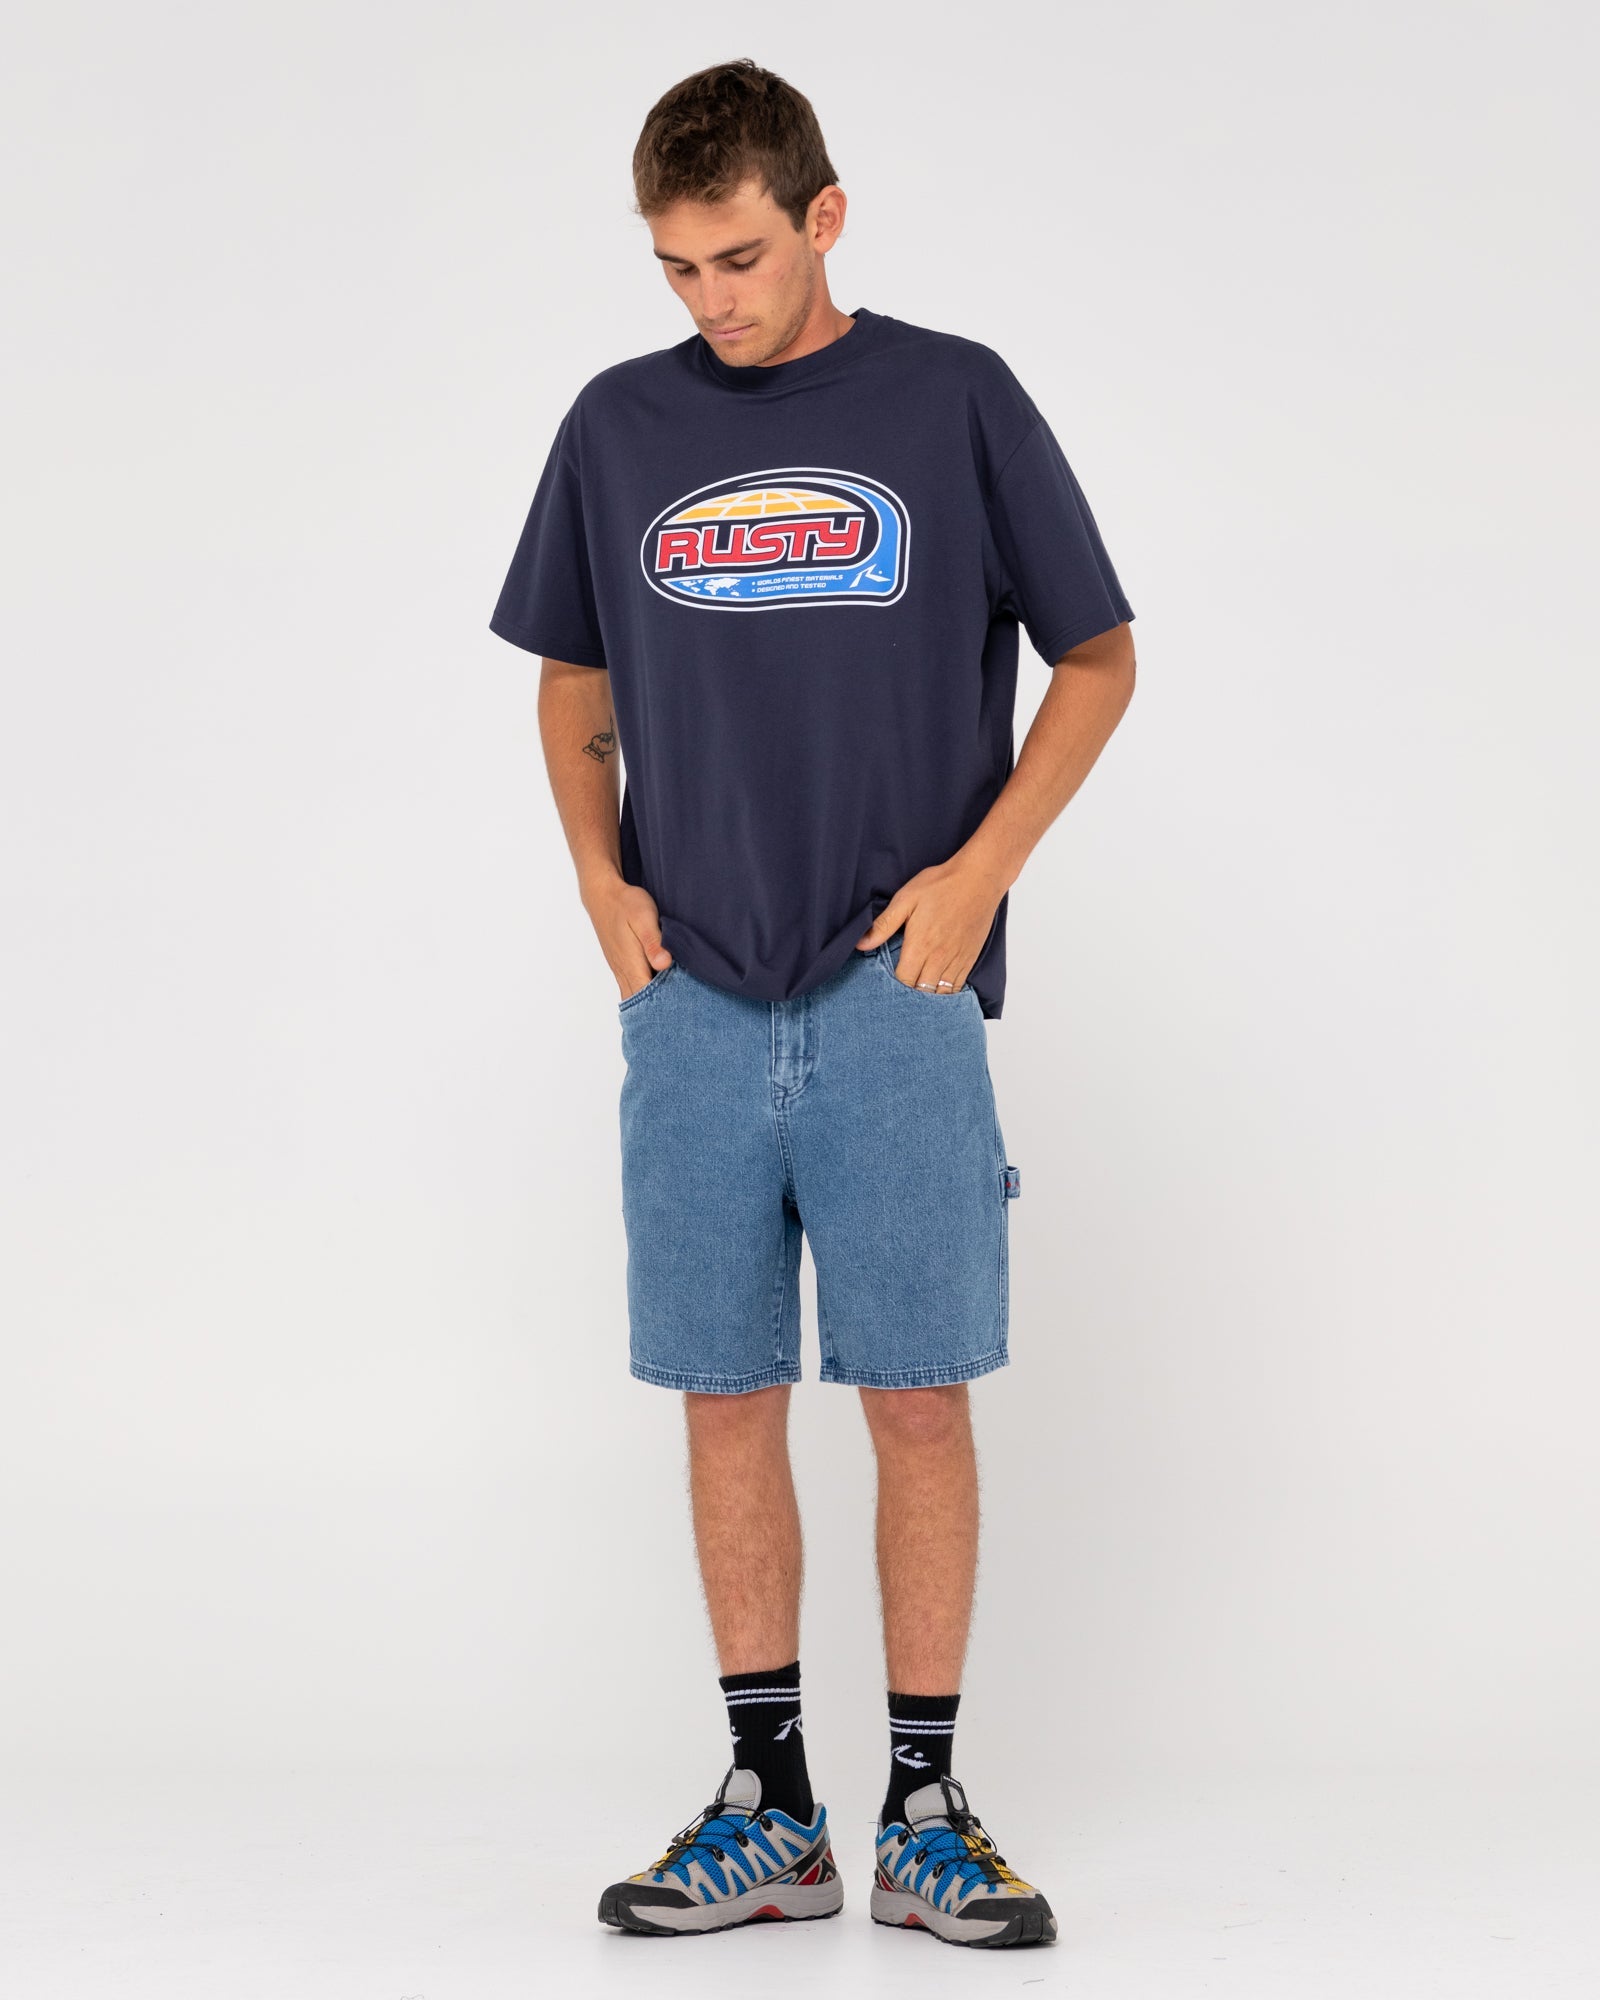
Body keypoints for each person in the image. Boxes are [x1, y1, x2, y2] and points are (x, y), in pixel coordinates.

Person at [488, 57, 1136, 1950]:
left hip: (892, 992)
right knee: (724, 1400)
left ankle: (927, 1808)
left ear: (824, 216)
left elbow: (1099, 655)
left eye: (743, 258)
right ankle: (769, 1809)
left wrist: (981, 874)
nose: (713, 300)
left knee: (916, 1398)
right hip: (692, 997)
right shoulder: (617, 425)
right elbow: (568, 674)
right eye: (678, 269)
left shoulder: (953, 397)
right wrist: (599, 883)